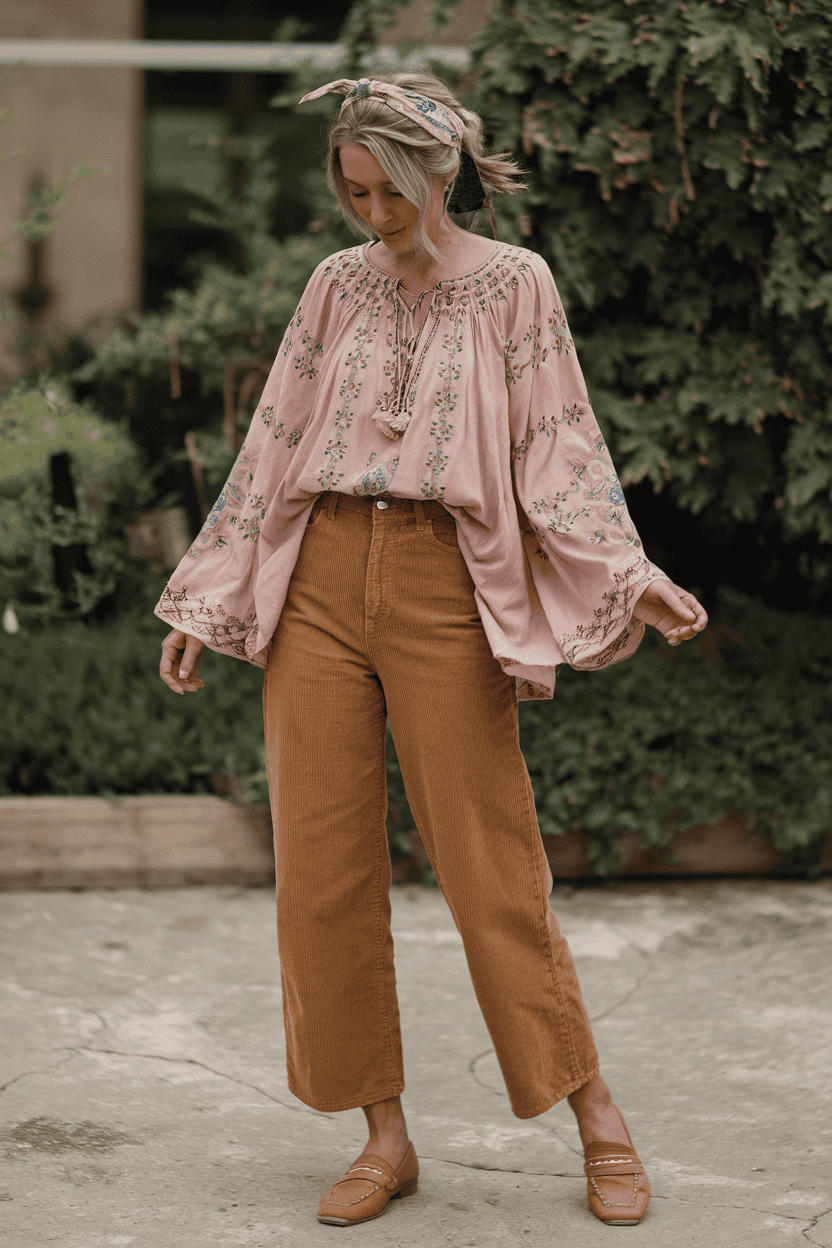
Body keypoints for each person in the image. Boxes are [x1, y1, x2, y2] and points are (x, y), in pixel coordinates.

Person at [157, 71, 708, 1229]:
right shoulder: (333, 286)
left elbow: (559, 447)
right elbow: (275, 436)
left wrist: (629, 575)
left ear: (441, 171)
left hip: (442, 587)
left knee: (490, 867)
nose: (372, 214)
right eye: (352, 190)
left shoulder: (515, 285)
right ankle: (383, 1136)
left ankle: (596, 1117)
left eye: (390, 190)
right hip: (316, 584)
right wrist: (205, 596)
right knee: (321, 872)